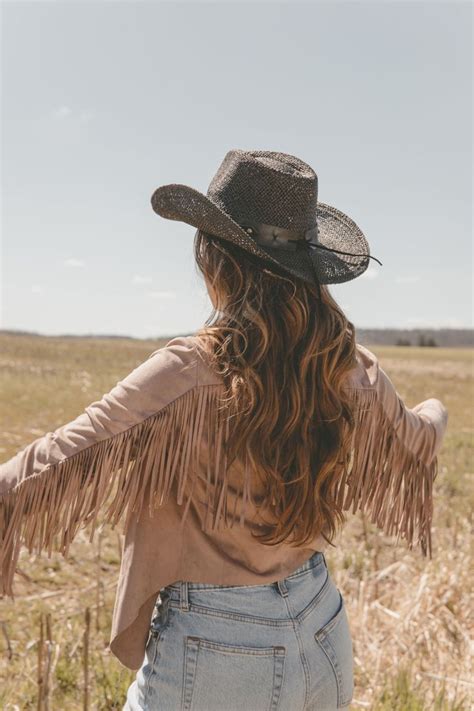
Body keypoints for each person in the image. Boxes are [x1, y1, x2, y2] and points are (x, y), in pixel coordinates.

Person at [0, 150, 448, 710]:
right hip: (321, 628)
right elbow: (417, 438)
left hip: (219, 651)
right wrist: (437, 411)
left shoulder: (192, 368)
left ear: (217, 259)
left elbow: (67, 453)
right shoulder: (349, 364)